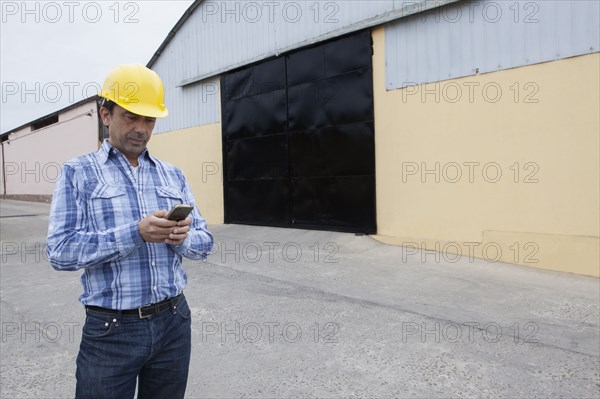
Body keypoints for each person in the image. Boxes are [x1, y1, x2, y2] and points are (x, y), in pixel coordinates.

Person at [47, 64, 213, 399]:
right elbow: (60, 251)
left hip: (174, 322)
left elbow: (205, 242)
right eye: (130, 117)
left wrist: (182, 239)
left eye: (149, 120)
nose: (141, 129)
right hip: (111, 330)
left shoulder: (173, 175)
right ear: (105, 115)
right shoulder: (78, 173)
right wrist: (134, 233)